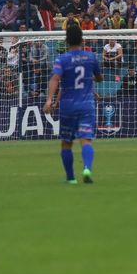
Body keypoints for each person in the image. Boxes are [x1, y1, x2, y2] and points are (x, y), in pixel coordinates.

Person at [43, 25, 103, 184]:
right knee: (86, 140)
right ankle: (87, 168)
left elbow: (56, 79)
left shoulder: (61, 59)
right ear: (82, 40)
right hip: (86, 105)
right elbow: (99, 77)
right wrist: (91, 80)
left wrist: (50, 100)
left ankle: (71, 178)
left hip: (67, 106)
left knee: (66, 143)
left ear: (66, 41)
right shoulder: (91, 57)